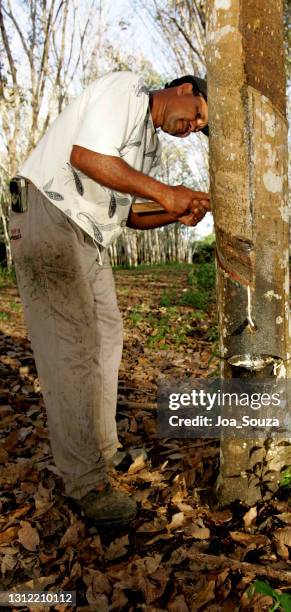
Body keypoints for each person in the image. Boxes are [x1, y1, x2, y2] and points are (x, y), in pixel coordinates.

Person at [9, 72, 210, 525]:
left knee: (106, 335)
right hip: (49, 214)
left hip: (89, 236)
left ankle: (105, 448)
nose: (193, 126)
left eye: (200, 127)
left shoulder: (147, 143)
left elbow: (129, 216)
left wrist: (176, 211)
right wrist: (167, 193)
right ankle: (87, 483)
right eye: (197, 114)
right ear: (182, 90)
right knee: (73, 346)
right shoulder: (128, 90)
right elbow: (86, 157)